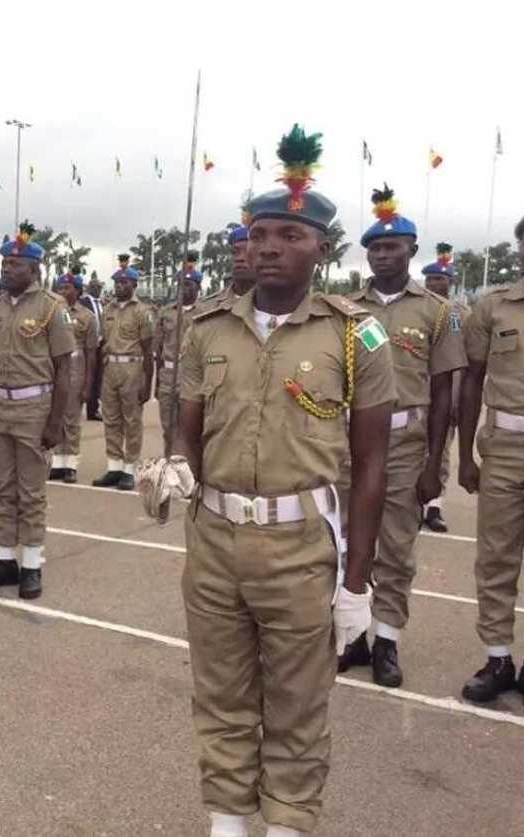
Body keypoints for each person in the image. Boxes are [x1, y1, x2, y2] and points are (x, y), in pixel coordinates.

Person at [169, 126, 395, 837]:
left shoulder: (357, 335)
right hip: (213, 542)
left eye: (288, 234)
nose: (268, 245)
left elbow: (372, 465)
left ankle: (290, 824)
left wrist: (357, 583)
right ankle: (230, 822)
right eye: (259, 232)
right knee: (222, 697)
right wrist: (175, 462)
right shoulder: (207, 326)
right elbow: (186, 422)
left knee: (297, 704)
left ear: (322, 249)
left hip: (301, 546)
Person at [335, 186, 466, 688]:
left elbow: (443, 391)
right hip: (351, 442)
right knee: (347, 540)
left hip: (407, 443)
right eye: (375, 248)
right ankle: (354, 633)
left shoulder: (436, 312)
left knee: (395, 545)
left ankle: (387, 639)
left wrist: (435, 462)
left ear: (412, 250)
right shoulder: (346, 308)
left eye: (393, 247)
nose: (383, 255)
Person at [457, 207, 524, 717]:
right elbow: (470, 380)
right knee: (496, 559)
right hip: (504, 450)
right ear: (520, 250)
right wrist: (463, 452)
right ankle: (496, 660)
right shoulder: (492, 308)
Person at [0, 222, 74, 599]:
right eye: (4, 263)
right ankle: (4, 562)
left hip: (34, 409)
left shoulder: (51, 307)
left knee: (31, 492)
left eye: (15, 263)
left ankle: (31, 564)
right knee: (4, 489)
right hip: (0, 407)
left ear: (34, 269)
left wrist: (56, 421)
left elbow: (65, 369)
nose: (6, 269)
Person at [93, 257, 153, 490]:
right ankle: (114, 467)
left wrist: (147, 383)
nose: (119, 286)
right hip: (111, 369)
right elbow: (103, 344)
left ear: (134, 285)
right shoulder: (107, 310)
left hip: (132, 368)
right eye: (117, 282)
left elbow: (148, 350)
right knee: (111, 419)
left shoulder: (142, 311)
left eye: (124, 283)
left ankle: (130, 468)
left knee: (132, 421)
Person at [420, 242, 461, 533]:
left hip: (447, 392)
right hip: (415, 394)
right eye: (432, 279)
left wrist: (456, 402)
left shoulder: (460, 314)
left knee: (440, 452)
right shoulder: (418, 308)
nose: (436, 284)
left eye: (441, 279)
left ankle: (434, 506)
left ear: (451, 282)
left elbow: (463, 362)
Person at [49, 270, 96, 483]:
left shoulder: (88, 317)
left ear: (78, 291)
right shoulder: (52, 312)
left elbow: (91, 353)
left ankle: (71, 465)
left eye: (67, 288)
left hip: (76, 369)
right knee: (56, 416)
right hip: (55, 368)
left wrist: (88, 384)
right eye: (60, 288)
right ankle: (58, 462)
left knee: (72, 420)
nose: (62, 291)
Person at [153, 257, 201, 458]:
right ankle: (169, 470)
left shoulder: (206, 314)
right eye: (181, 284)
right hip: (168, 376)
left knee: (193, 430)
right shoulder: (166, 312)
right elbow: (158, 349)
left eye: (189, 285)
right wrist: (156, 384)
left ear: (198, 287)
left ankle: (191, 473)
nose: (184, 289)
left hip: (194, 376)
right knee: (169, 428)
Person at [196, 224, 256, 313]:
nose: (240, 258)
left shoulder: (277, 306)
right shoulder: (207, 307)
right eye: (235, 252)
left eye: (248, 252)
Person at [81, 273, 105, 420]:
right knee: (83, 375)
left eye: (100, 287)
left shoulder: (102, 303)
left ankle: (93, 409)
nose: (98, 289)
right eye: (95, 287)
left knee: (97, 377)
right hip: (85, 345)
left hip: (100, 344)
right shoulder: (83, 302)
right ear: (90, 288)